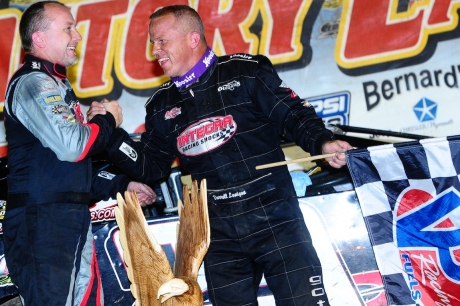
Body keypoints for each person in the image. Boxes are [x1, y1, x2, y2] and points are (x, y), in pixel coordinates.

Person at [89, 5, 353, 306]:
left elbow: (292, 115)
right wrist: (110, 134)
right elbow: (149, 168)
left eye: (162, 40)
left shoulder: (246, 72)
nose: (155, 51)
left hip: (274, 218)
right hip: (216, 232)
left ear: (192, 38)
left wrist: (323, 142)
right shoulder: (161, 105)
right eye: (152, 43)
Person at [2, 1, 156, 305]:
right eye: (68, 28)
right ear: (40, 39)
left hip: (64, 217)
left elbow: (69, 168)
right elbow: (74, 147)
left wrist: (122, 185)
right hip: (43, 222)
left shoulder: (56, 84)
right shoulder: (34, 82)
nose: (78, 36)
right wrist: (107, 119)